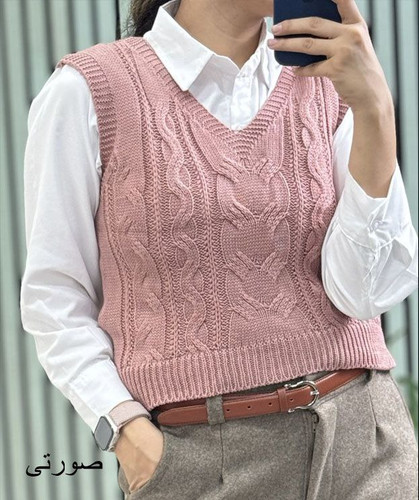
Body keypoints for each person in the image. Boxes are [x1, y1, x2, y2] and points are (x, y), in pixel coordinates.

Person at [20, 0, 418, 498]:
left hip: (365, 441)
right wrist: (124, 429)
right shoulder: (89, 91)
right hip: (203, 459)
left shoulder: (331, 81)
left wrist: (375, 107)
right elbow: (55, 298)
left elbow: (363, 295)